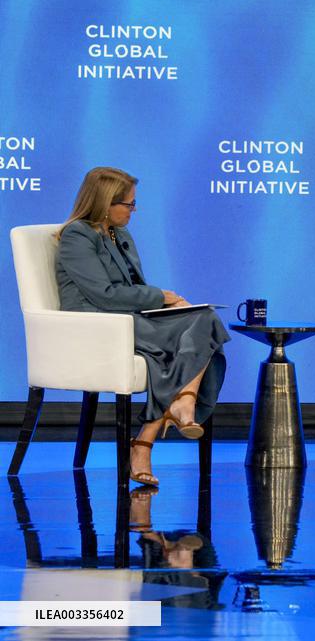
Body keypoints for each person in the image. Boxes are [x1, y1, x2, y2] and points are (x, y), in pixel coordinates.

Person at [55, 167, 230, 486]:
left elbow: (133, 287)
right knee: (205, 336)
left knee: (204, 319)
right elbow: (104, 295)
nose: (134, 210)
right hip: (98, 324)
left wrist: (169, 306)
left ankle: (168, 416)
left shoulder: (120, 235)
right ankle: (172, 413)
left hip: (129, 318)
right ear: (105, 202)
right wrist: (161, 297)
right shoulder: (77, 236)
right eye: (129, 204)